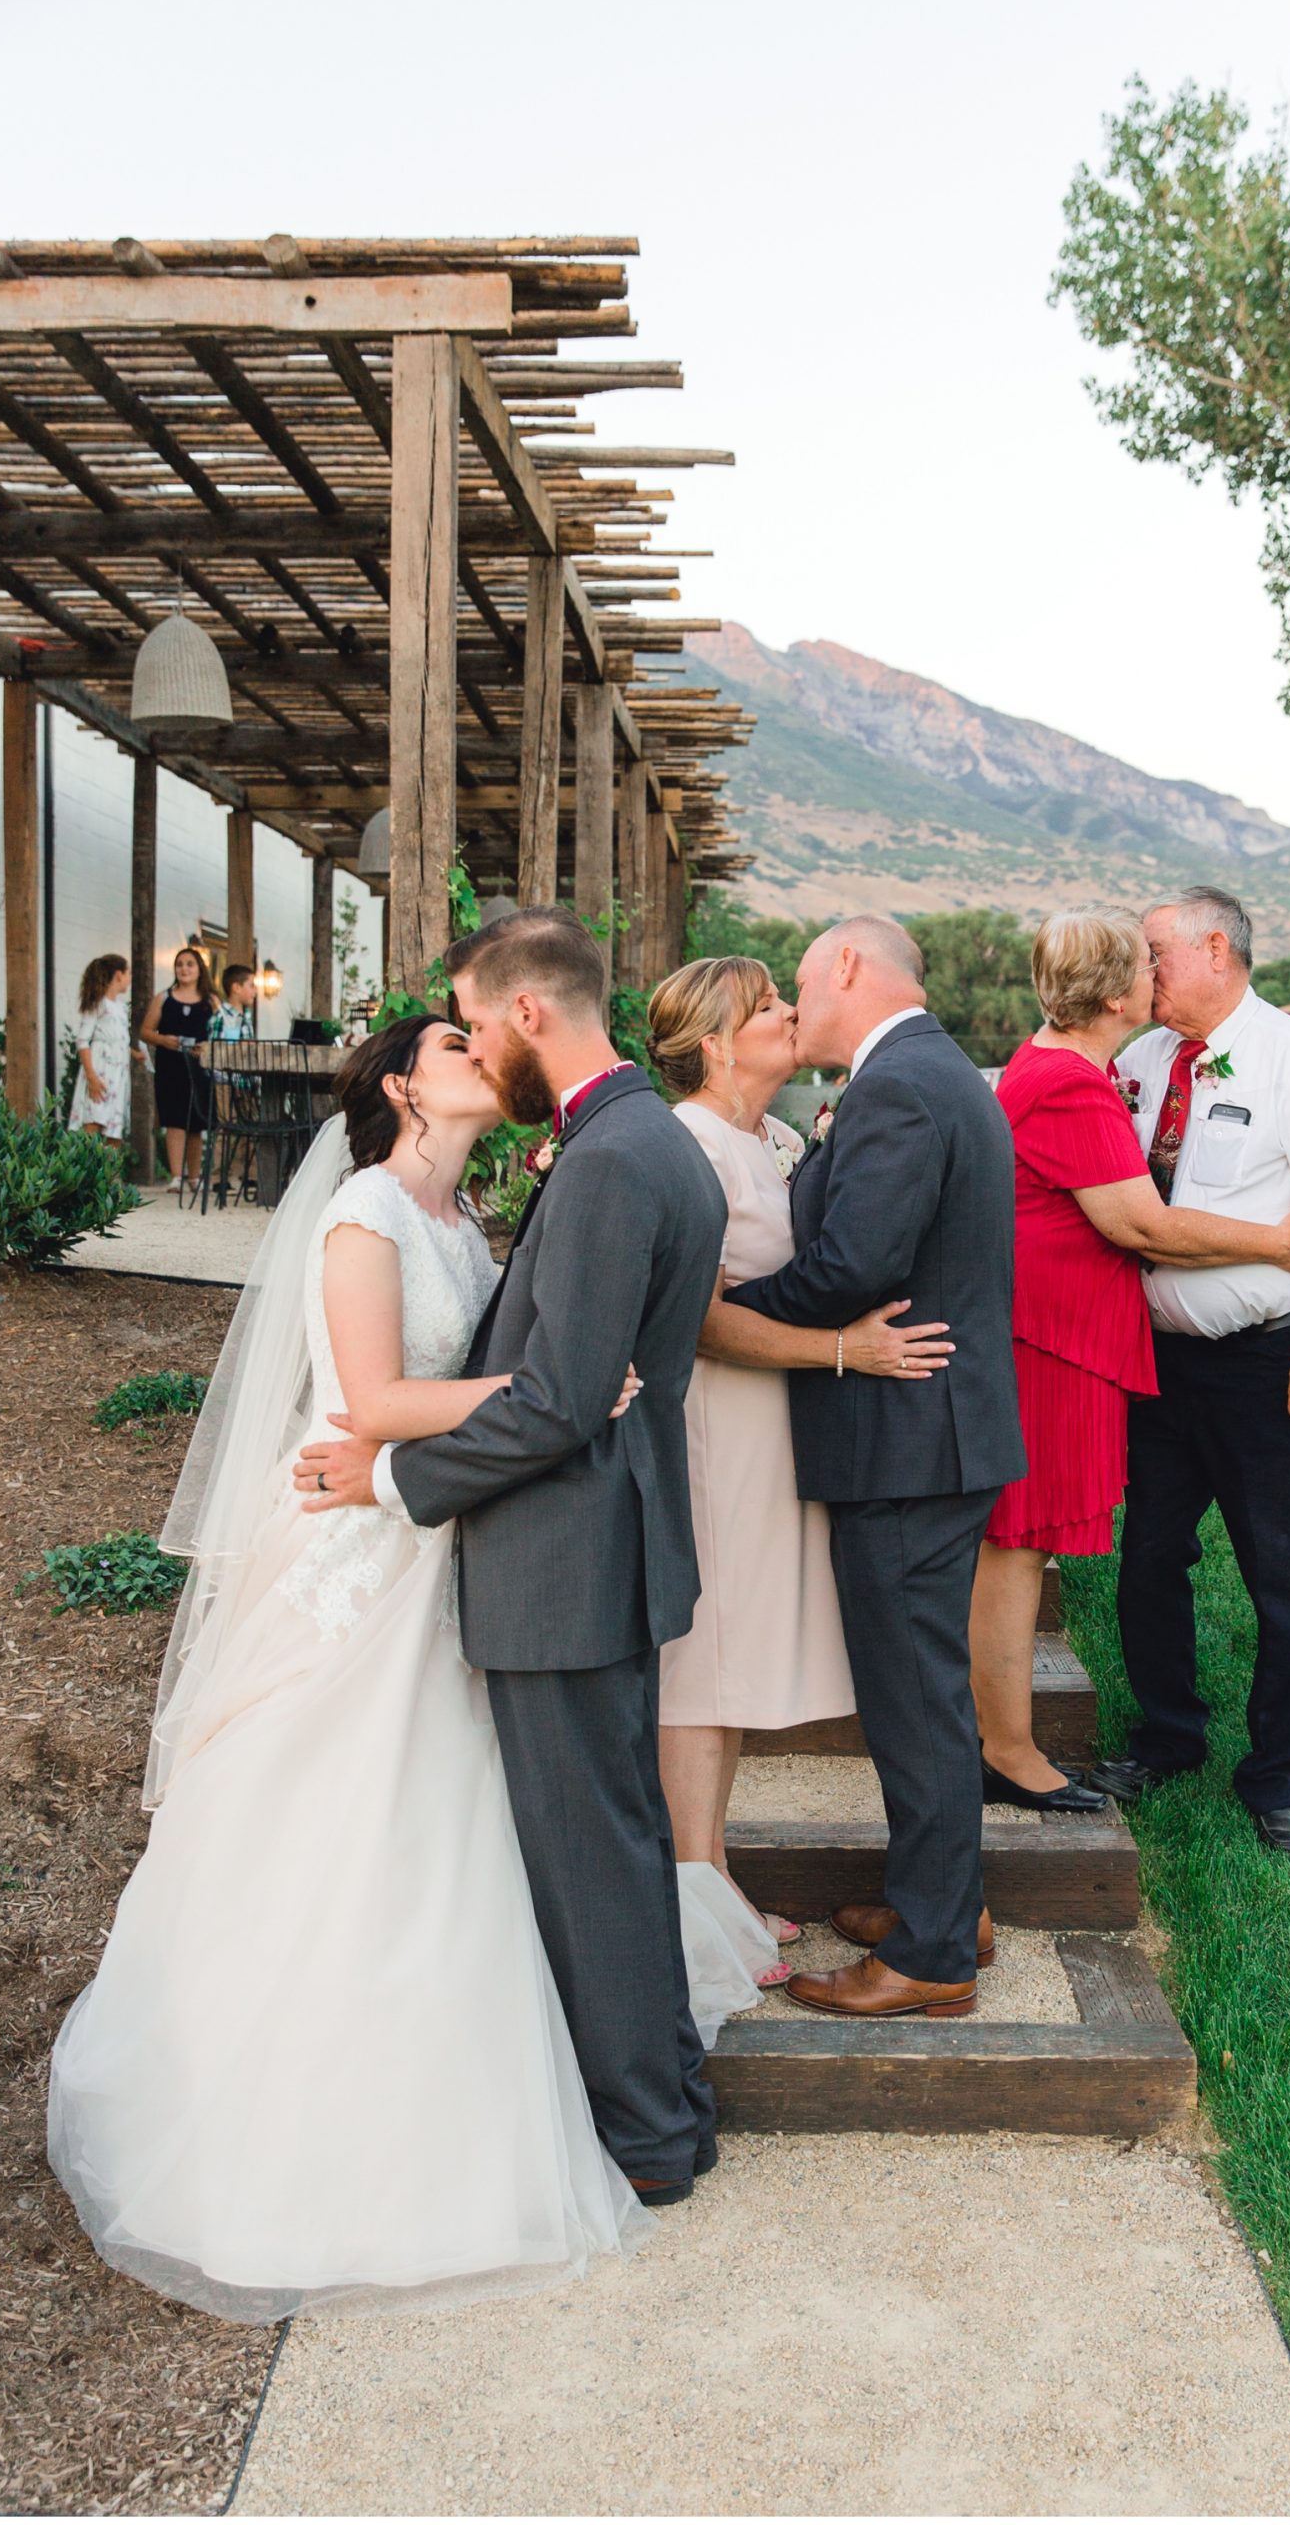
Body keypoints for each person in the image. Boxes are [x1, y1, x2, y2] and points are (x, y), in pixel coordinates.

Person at [47, 1013, 651, 2320]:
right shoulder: (366, 1216)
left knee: (443, 1826)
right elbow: (372, 1400)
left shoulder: (459, 1223)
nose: (485, 1052)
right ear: (397, 1085)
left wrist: (545, 1387)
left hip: (432, 1545)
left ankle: (451, 2110)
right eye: (453, 1042)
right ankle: (281, 2133)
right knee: (329, 1811)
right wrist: (562, 1388)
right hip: (352, 1551)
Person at [295, 908, 731, 2206]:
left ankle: (649, 2137)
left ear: (528, 1012)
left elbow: (552, 1404)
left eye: (479, 1020)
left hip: (568, 1564)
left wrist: (387, 1477)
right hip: (597, 1553)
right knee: (616, 1841)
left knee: (592, 1858)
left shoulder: (608, 1159)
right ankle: (672, 2112)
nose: (479, 1045)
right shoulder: (641, 1137)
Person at [725, 918, 1025, 2019]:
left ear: (847, 966)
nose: (796, 1003)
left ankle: (935, 1954)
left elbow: (855, 1265)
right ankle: (944, 1900)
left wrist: (712, 1314)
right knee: (917, 1692)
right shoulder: (922, 1070)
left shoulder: (900, 1083)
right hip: (928, 1431)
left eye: (802, 981)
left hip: (909, 1434)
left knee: (912, 1699)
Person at [646, 956, 960, 1995]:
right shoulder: (687, 1143)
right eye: (766, 1007)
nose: (789, 1011)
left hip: (770, 1427)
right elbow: (691, 1316)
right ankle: (689, 1902)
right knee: (698, 1660)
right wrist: (842, 1352)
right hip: (714, 1423)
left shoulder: (773, 1138)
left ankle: (716, 1878)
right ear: (715, 1044)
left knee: (728, 1662)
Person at [970, 905, 1290, 1810]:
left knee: (1022, 1542)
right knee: (1016, 1546)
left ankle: (999, 1740)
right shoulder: (1075, 1083)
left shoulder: (1074, 1067)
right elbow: (1139, 1223)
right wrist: (1278, 1246)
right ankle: (1006, 1750)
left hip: (1060, 1335)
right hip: (1048, 1341)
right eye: (1147, 964)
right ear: (1120, 990)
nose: (1156, 977)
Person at [1088, 886, 1290, 1853]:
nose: (1144, 971)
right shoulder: (1138, 1062)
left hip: (1267, 1367)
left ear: (1217, 949)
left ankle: (1278, 1778)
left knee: (1284, 1575)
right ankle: (1168, 1738)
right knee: (1149, 1560)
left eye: (1156, 953)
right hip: (1157, 1368)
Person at [139, 946, 215, 1189]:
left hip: (199, 1066)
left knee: (196, 1121)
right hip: (171, 1065)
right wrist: (163, 1040)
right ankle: (176, 1177)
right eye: (180, 964)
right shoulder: (163, 998)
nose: (184, 969)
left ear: (199, 969)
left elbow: (222, 1031)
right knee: (175, 1119)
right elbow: (145, 1031)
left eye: (189, 964)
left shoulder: (210, 1001)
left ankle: (194, 1177)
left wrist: (207, 1046)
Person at [66, 953, 144, 1146]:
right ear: (118, 975)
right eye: (128, 974)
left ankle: (109, 1174)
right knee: (94, 1121)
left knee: (114, 1126)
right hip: (100, 1072)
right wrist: (91, 1077)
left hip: (118, 1074)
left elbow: (117, 1039)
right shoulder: (97, 1004)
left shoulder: (120, 1007)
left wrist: (134, 1053)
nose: (129, 979)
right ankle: (86, 1172)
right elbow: (83, 1041)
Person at [211, 963, 257, 1039]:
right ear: (236, 988)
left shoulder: (247, 1014)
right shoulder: (221, 1017)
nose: (256, 991)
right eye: (252, 986)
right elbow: (216, 1048)